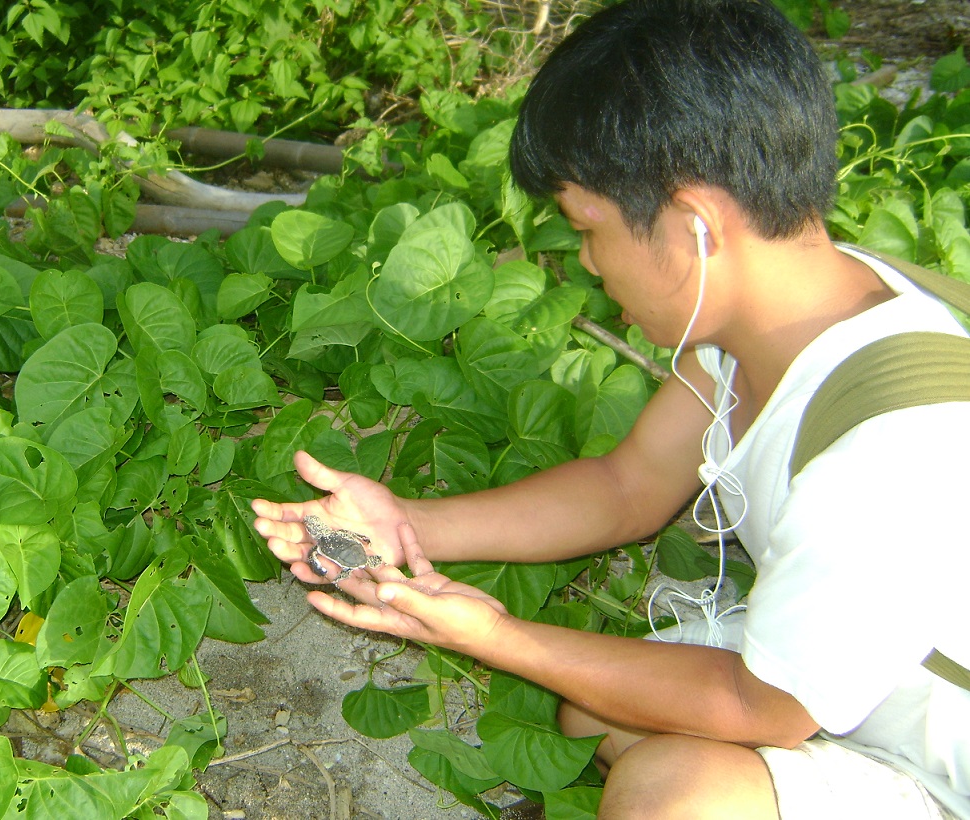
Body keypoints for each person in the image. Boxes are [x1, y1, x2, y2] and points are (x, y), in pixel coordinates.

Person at [252, 0, 970, 816]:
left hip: (941, 752)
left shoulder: (893, 453)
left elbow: (757, 707)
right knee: (594, 710)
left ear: (694, 225)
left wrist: (500, 639)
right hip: (863, 685)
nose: (588, 263)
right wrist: (406, 524)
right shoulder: (780, 308)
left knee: (672, 796)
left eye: (588, 228)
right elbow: (628, 486)